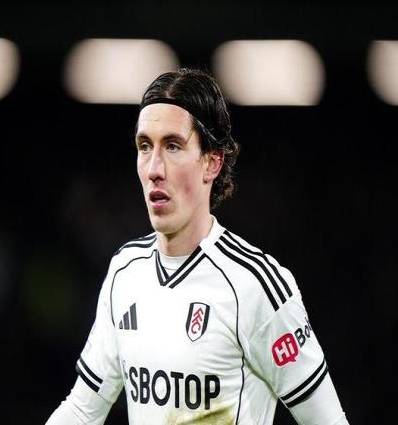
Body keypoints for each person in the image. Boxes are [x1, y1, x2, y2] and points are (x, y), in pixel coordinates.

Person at [45, 67, 349, 424]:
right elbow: (82, 410)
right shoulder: (125, 271)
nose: (154, 168)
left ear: (212, 162)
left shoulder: (255, 285)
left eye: (173, 146)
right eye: (145, 147)